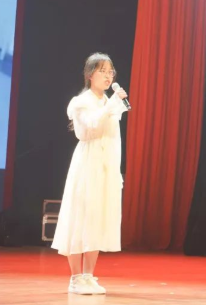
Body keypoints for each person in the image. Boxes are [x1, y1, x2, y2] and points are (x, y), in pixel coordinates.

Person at [51, 52, 129, 295]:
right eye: (102, 71)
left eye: (110, 71)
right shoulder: (80, 102)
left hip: (106, 164)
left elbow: (113, 137)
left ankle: (88, 275)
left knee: (97, 218)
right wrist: (112, 105)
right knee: (81, 216)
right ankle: (75, 278)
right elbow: (88, 129)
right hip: (87, 163)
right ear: (89, 74)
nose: (108, 76)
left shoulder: (108, 102)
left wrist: (116, 170)